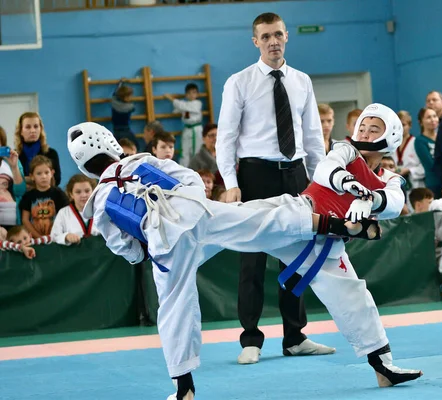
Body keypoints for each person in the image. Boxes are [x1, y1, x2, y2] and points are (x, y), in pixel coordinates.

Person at [66, 122, 380, 400]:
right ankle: (330, 224)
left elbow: (125, 249)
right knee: (257, 219)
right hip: (194, 212)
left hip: (163, 244)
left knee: (174, 309)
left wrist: (146, 251)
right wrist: (197, 206)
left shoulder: (101, 201)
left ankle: (183, 387)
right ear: (110, 143)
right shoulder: (141, 160)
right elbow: (188, 178)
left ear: (86, 167)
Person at [243, 103, 423, 387]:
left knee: (355, 298)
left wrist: (371, 200)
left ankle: (384, 367)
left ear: (390, 135)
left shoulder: (388, 179)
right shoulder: (346, 151)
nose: (365, 132)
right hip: (299, 217)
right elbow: (324, 169)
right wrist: (348, 182)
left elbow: (395, 203)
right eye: (362, 126)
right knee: (241, 222)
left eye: (374, 128)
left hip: (328, 246)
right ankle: (187, 225)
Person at [216, 12, 331, 364]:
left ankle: (295, 336)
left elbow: (313, 137)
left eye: (278, 34)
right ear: (255, 41)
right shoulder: (239, 82)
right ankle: (250, 339)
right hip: (255, 176)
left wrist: (322, 182)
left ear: (287, 36)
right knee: (252, 259)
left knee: (297, 256)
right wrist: (231, 184)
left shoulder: (302, 81)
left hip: (296, 175)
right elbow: (226, 138)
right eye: (265, 36)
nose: (273, 41)